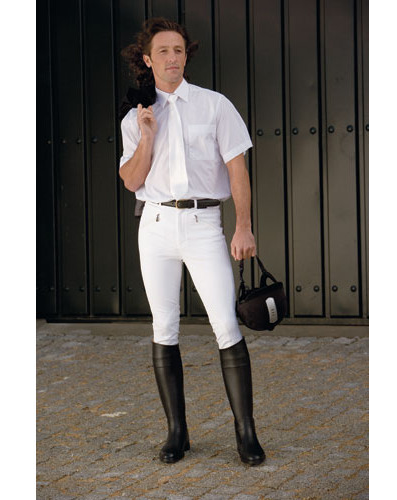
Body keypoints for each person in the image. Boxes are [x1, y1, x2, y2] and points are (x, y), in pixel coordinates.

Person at [118, 17, 265, 466]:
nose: (172, 58)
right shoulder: (135, 117)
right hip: (156, 225)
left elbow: (237, 170)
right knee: (164, 327)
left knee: (226, 324)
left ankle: (246, 433)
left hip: (204, 224)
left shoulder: (215, 105)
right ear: (148, 60)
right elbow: (131, 180)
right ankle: (176, 433)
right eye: (163, 51)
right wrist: (147, 135)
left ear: (186, 56)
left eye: (178, 50)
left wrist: (243, 227)